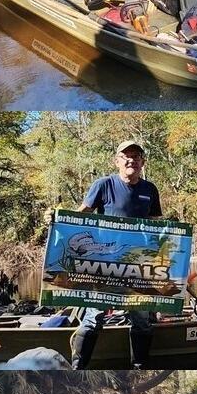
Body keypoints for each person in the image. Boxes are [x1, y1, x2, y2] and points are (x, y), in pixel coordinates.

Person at [63, 140, 163, 370]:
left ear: (142, 162)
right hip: (105, 265)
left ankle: (139, 367)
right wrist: (58, 218)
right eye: (126, 156)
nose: (131, 160)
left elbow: (157, 223)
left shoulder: (150, 189)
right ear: (116, 160)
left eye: (136, 156)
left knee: (141, 320)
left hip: (138, 265)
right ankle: (79, 368)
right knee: (93, 317)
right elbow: (81, 215)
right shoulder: (103, 185)